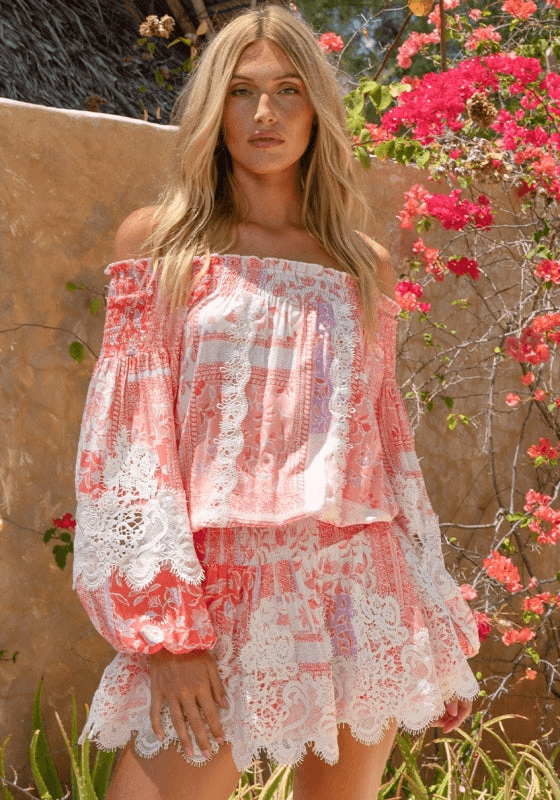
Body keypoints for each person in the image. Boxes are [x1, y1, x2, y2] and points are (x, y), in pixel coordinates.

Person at [73, 5, 480, 799]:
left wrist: (432, 622)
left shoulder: (361, 265)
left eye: (289, 89)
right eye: (241, 91)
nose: (265, 112)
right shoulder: (160, 244)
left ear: (317, 109)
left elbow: (385, 446)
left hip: (358, 586)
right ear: (214, 110)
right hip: (218, 591)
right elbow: (130, 444)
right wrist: (167, 634)